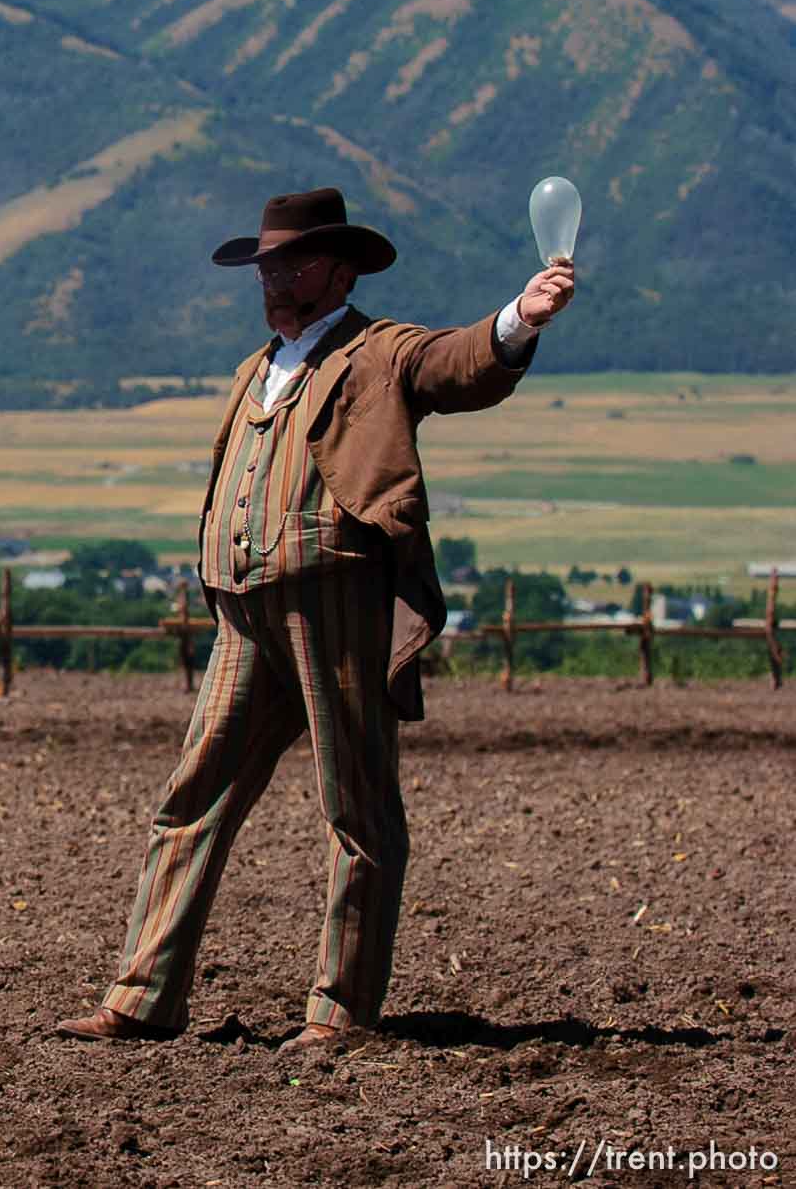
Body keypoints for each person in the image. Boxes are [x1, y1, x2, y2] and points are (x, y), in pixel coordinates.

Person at [54, 187, 575, 1051]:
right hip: (245, 613)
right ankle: (142, 998)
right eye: (266, 265)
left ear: (338, 268)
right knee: (191, 798)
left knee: (357, 807)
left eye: (290, 263)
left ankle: (341, 1011)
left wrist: (519, 317)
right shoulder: (253, 370)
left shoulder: (381, 352)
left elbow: (460, 363)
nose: (273, 278)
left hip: (338, 605)